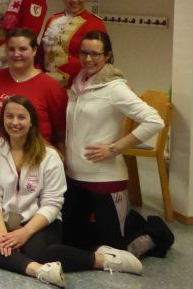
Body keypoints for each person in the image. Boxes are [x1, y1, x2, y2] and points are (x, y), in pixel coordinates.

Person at [0, 95, 143, 287]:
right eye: (9, 116)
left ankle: (103, 259)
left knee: (35, 251)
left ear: (32, 122)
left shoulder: (49, 156)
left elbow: (52, 204)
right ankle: (38, 270)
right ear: (3, 119)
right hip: (4, 220)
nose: (15, 122)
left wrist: (24, 232)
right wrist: (2, 233)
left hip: (41, 223)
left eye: (21, 117)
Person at [63, 31, 174, 259]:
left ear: (108, 56)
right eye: (84, 53)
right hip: (75, 176)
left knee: (115, 251)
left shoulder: (115, 88)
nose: (88, 59)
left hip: (105, 178)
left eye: (95, 54)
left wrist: (115, 148)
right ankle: (129, 221)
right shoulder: (78, 83)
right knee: (71, 241)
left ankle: (155, 232)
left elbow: (154, 121)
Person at [0, 28, 67, 149]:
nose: (16, 54)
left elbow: (61, 132)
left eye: (22, 49)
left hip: (34, 157)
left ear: (34, 50)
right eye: (11, 49)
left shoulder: (51, 86)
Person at [39, 0, 107, 88]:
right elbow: (41, 53)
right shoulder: (52, 19)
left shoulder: (95, 23)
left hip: (78, 86)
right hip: (47, 83)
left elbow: (100, 61)